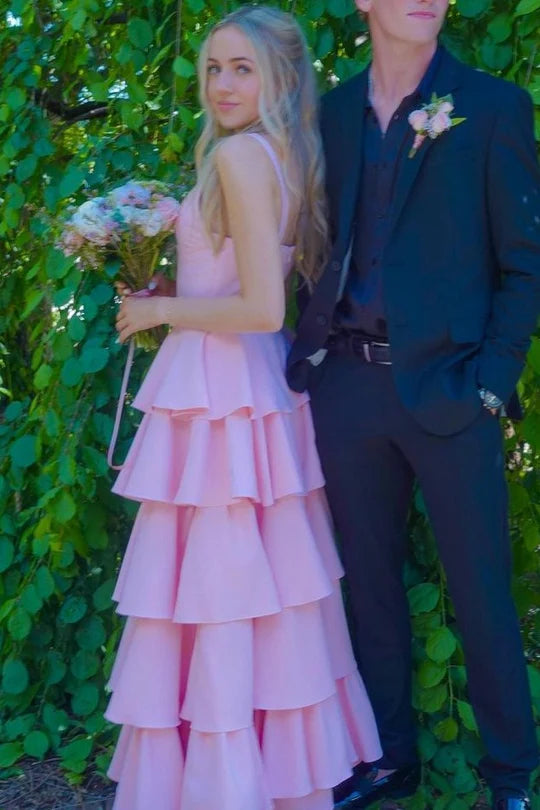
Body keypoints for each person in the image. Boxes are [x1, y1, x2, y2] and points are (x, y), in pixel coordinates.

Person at [108, 6, 382, 810]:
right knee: (254, 590)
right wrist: (177, 290)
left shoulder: (239, 156)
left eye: (242, 68)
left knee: (220, 589)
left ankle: (222, 787)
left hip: (223, 395)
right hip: (250, 389)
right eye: (212, 68)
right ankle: (256, 776)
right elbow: (241, 285)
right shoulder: (282, 154)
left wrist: (161, 312)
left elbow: (263, 306)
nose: (222, 84)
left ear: (280, 78)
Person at [287, 1, 540, 809]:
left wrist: (491, 382)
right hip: (348, 387)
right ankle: (391, 759)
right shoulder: (330, 113)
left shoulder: (493, 107)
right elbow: (307, 241)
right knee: (367, 586)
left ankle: (511, 778)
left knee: (482, 591)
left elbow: (525, 262)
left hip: (453, 390)